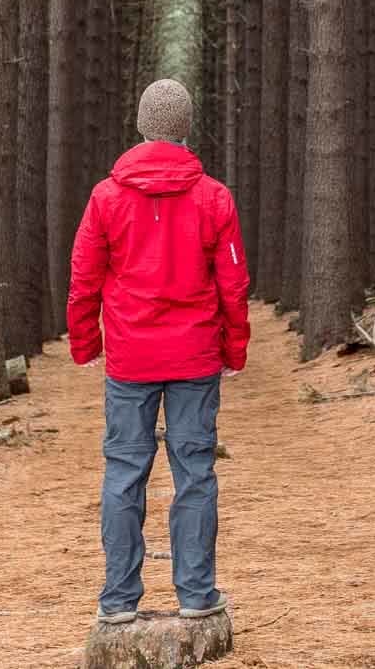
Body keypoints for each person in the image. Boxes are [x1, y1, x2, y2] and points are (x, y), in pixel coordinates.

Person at [68, 78, 251, 626]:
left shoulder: (106, 196)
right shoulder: (213, 196)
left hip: (130, 357)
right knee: (194, 472)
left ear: (143, 126)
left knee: (124, 472)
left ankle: (119, 601)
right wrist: (234, 348)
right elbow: (234, 283)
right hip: (195, 357)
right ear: (185, 129)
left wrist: (85, 344)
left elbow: (84, 278)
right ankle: (196, 595)